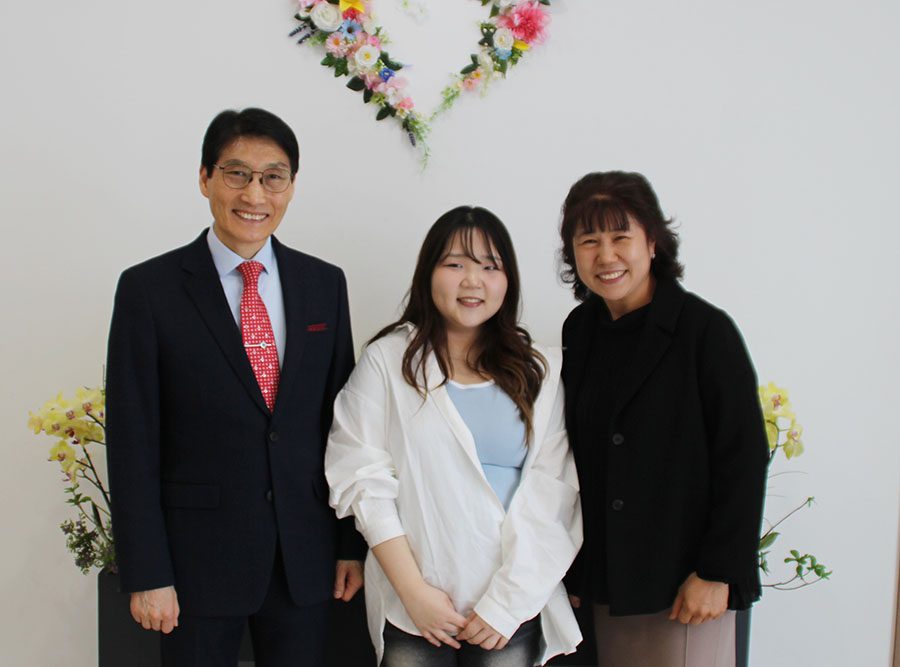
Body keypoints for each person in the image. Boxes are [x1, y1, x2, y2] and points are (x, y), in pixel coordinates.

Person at [105, 107, 365, 667]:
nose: (255, 194)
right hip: (195, 564)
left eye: (273, 177)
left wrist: (351, 544)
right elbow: (132, 441)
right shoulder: (148, 290)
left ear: (291, 186)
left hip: (304, 557)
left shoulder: (324, 284)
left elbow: (344, 425)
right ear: (205, 179)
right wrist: (147, 572)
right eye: (236, 174)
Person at [325, 206, 583, 666]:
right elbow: (360, 480)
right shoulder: (388, 361)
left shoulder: (539, 370)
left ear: (508, 280)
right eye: (455, 264)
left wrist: (506, 604)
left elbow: (555, 493)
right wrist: (413, 592)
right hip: (414, 608)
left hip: (511, 608)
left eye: (490, 266)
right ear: (428, 273)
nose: (473, 281)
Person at [558, 171, 769, 666]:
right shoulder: (580, 330)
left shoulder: (704, 331)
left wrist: (717, 571)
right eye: (589, 241)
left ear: (652, 241)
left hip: (685, 585)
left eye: (620, 237)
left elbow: (743, 455)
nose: (606, 256)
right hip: (606, 583)